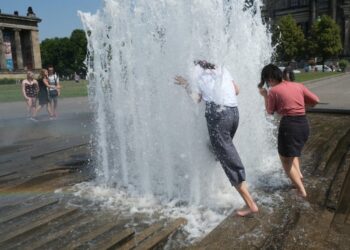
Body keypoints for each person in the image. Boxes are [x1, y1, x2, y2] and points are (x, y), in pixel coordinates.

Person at [175, 60, 259, 217]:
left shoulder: (195, 71)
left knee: (229, 159)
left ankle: (250, 204)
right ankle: (217, 180)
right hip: (234, 113)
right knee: (214, 148)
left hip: (218, 115)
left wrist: (186, 85)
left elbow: (196, 98)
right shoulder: (221, 68)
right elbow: (237, 90)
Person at [258, 64, 319, 198]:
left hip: (289, 126)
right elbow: (315, 100)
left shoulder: (274, 91)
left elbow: (269, 111)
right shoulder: (298, 85)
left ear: (269, 79)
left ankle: (301, 190)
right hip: (304, 124)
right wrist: (300, 105)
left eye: (267, 80)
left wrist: (265, 96)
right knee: (293, 153)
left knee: (285, 160)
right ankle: (299, 175)